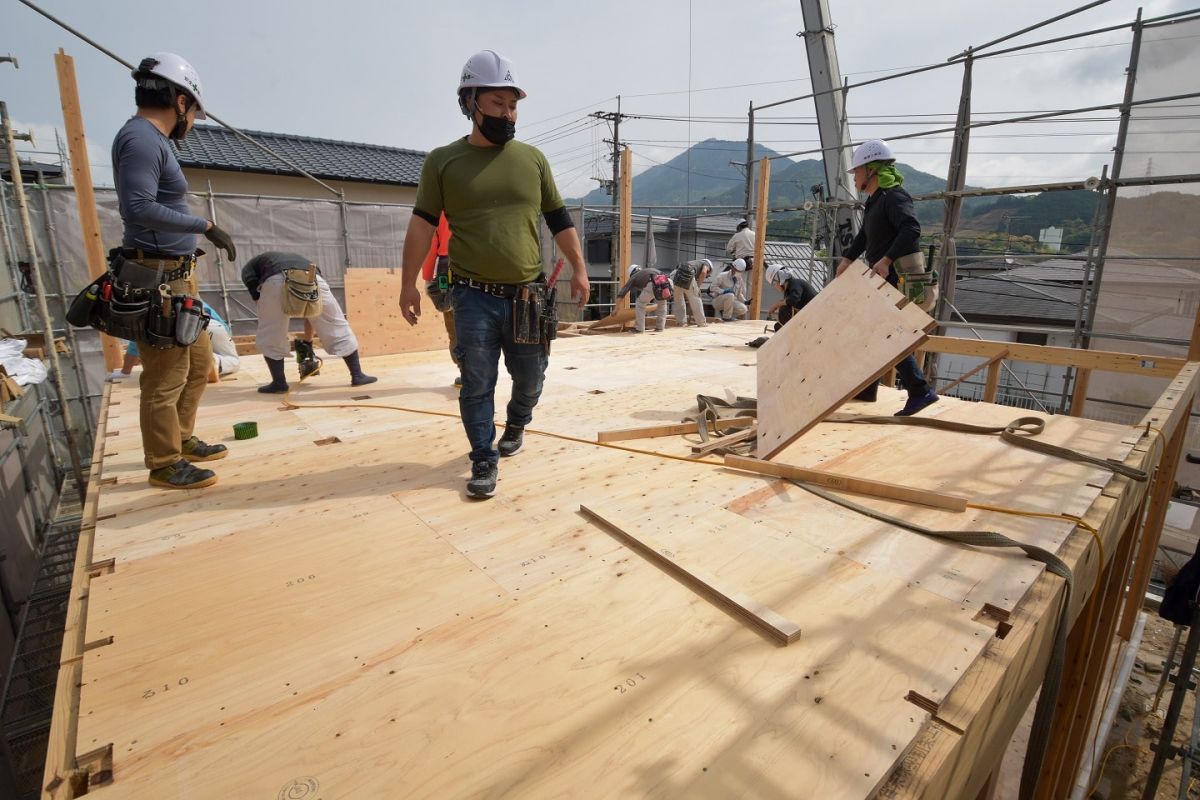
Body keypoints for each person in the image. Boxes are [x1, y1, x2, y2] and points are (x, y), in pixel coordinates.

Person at [397, 50, 589, 500]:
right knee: (477, 380)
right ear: (471, 103)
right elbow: (423, 224)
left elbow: (559, 219)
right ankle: (483, 455)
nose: (508, 114)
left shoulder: (533, 160)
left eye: (513, 104)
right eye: (498, 103)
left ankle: (518, 422)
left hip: (528, 294)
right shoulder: (443, 161)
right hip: (472, 295)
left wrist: (579, 269)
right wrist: (407, 282)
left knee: (531, 377)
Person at [113, 52, 237, 490]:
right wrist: (204, 225)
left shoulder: (154, 141)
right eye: (193, 112)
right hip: (156, 277)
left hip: (177, 275)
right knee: (166, 375)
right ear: (180, 101)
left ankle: (181, 439)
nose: (192, 122)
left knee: (199, 360)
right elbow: (139, 207)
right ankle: (163, 462)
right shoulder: (142, 139)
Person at [836, 138, 938, 417]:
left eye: (857, 171)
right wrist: (847, 259)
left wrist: (885, 260)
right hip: (884, 277)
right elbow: (865, 236)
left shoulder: (894, 196)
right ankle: (875, 388)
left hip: (899, 278)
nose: (855, 177)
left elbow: (911, 230)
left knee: (890, 334)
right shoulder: (875, 200)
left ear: (871, 169)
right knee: (877, 331)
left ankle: (919, 390)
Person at [240, 251, 376, 393]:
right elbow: (311, 311)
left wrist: (308, 342)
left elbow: (260, 303)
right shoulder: (302, 262)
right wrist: (307, 342)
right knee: (334, 323)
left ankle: (279, 383)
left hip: (275, 278)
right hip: (312, 277)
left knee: (271, 330)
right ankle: (357, 375)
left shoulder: (248, 270)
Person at [120, 300, 239, 380]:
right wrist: (227, 338)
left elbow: (135, 345)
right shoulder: (187, 293)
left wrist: (125, 372)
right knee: (233, 361)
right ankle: (213, 360)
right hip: (210, 325)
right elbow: (221, 326)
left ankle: (207, 361)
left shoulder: (151, 309)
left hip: (182, 332)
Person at [422, 213, 461, 387]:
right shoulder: (478, 202)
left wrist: (428, 276)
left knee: (454, 324)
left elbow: (431, 246)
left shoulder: (438, 212)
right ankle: (480, 373)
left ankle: (466, 372)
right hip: (475, 265)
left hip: (448, 265)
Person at [616, 264, 669, 333]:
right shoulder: (648, 270)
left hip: (652, 284)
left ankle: (639, 329)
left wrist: (616, 308)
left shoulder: (634, 276)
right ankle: (660, 327)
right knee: (662, 304)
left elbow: (622, 293)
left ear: (632, 273)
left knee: (640, 304)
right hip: (665, 283)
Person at [765, 263, 818, 330]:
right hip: (810, 315)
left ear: (779, 278)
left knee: (784, 309)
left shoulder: (796, 283)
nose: (774, 287)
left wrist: (777, 305)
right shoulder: (788, 290)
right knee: (778, 325)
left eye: (774, 283)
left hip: (817, 313)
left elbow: (793, 299)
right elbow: (789, 302)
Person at [671, 258, 709, 328]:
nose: (707, 276)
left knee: (678, 300)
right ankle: (701, 323)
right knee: (695, 299)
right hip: (688, 274)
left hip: (676, 274)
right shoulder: (706, 264)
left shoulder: (692, 262)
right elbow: (704, 272)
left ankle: (681, 323)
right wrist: (698, 287)